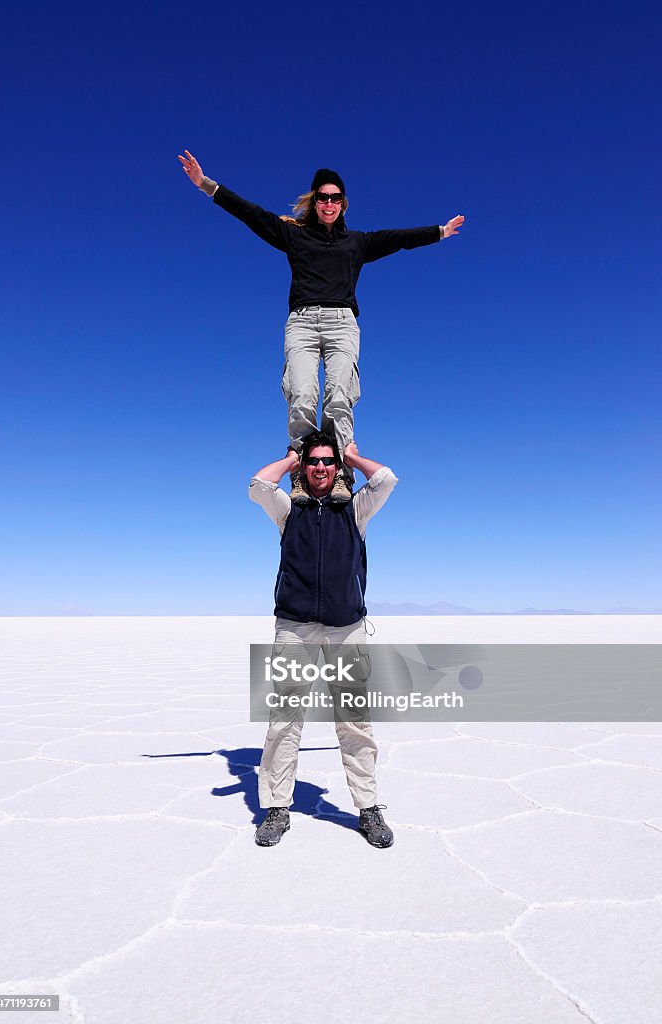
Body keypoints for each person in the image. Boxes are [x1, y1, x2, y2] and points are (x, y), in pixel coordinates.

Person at [178, 151, 464, 501]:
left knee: (339, 397)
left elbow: (398, 239)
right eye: (323, 197)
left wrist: (439, 232)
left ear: (343, 204)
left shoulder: (357, 243)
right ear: (315, 202)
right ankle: (300, 473)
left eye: (336, 198)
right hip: (301, 323)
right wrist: (206, 185)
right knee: (302, 393)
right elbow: (250, 214)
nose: (329, 203)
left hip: (342, 323)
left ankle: (340, 473)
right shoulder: (293, 236)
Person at [248, 430, 397, 848]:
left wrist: (354, 455)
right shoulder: (287, 511)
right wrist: (289, 461)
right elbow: (258, 486)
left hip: (346, 628)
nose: (320, 468)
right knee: (284, 721)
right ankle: (276, 808)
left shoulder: (356, 511)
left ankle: (368, 809)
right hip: (294, 628)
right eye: (313, 461)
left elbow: (385, 479)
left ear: (338, 469)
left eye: (327, 462)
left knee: (354, 723)